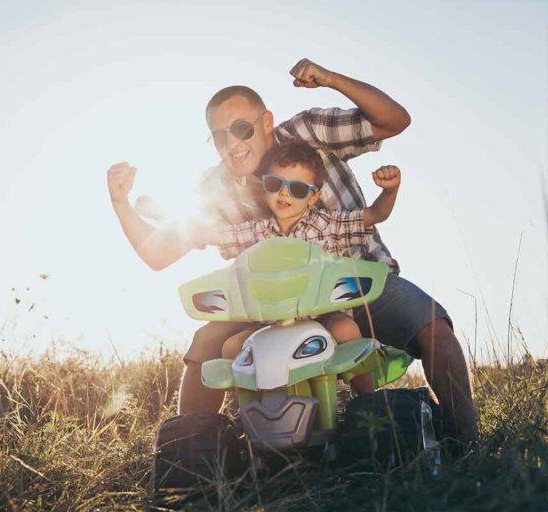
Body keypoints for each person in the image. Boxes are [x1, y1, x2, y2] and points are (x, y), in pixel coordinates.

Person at [106, 59, 478, 447]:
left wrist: (332, 79)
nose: (231, 144)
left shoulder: (308, 133)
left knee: (433, 327)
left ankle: (463, 446)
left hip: (355, 284)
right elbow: (158, 254)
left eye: (241, 128)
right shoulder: (215, 186)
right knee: (207, 344)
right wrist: (122, 205)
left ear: (266, 122)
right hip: (268, 305)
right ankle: (192, 460)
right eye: (219, 137)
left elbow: (393, 121)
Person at [199, 141, 402, 395]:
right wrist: (169, 221)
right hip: (271, 322)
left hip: (323, 315)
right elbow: (215, 235)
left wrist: (390, 192)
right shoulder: (256, 231)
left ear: (314, 196)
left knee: (346, 329)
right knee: (232, 348)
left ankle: (368, 402)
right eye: (275, 185)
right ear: (264, 185)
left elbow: (374, 214)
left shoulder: (328, 224)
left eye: (296, 188)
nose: (284, 194)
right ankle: (253, 412)